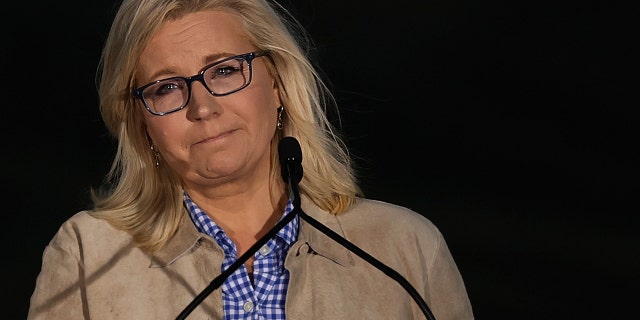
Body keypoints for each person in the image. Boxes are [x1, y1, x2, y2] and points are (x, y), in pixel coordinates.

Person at [28, 0, 474, 319]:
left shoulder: (405, 249)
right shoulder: (87, 255)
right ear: (141, 122)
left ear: (278, 82)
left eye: (224, 70)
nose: (201, 107)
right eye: (166, 87)